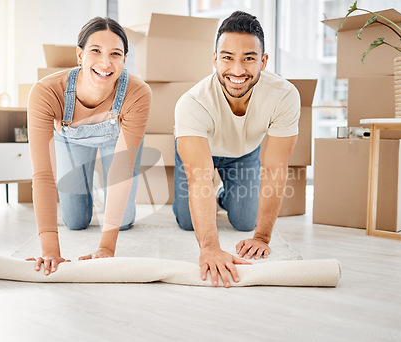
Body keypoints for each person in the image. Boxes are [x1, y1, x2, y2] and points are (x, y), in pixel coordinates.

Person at [173, 11, 300, 287]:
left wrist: (262, 237)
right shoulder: (192, 103)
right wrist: (209, 247)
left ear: (263, 61)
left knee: (244, 222)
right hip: (200, 149)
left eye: (249, 58)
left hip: (243, 152)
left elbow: (275, 168)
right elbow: (199, 179)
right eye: (228, 57)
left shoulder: (285, 96)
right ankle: (208, 198)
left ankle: (222, 196)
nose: (238, 70)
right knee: (186, 221)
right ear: (215, 59)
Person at [26, 17, 151, 275]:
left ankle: (102, 192)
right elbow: (43, 175)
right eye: (96, 51)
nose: (105, 63)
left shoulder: (138, 93)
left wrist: (106, 247)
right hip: (69, 138)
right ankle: (89, 189)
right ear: (80, 55)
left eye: (115, 54)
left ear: (124, 60)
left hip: (116, 141)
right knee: (74, 222)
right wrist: (50, 251)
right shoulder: (46, 92)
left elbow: (121, 172)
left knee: (124, 221)